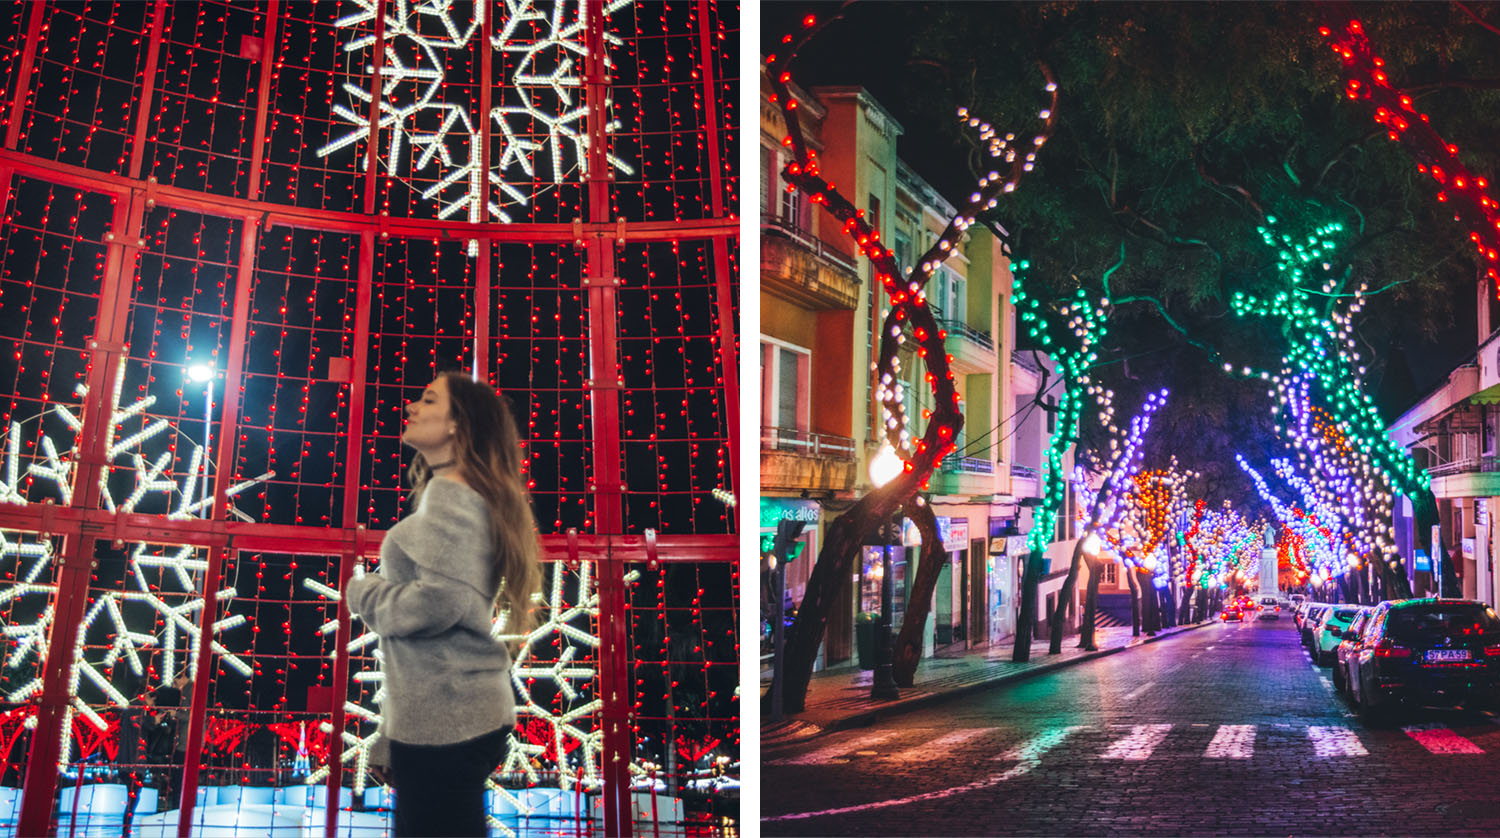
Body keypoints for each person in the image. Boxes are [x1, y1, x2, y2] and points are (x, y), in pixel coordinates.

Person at [346, 373, 541, 837]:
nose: (412, 405)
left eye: (429, 399)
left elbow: (440, 603)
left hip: (448, 720)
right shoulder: (454, 494)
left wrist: (362, 592)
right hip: (444, 717)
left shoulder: (455, 499)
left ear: (459, 425)